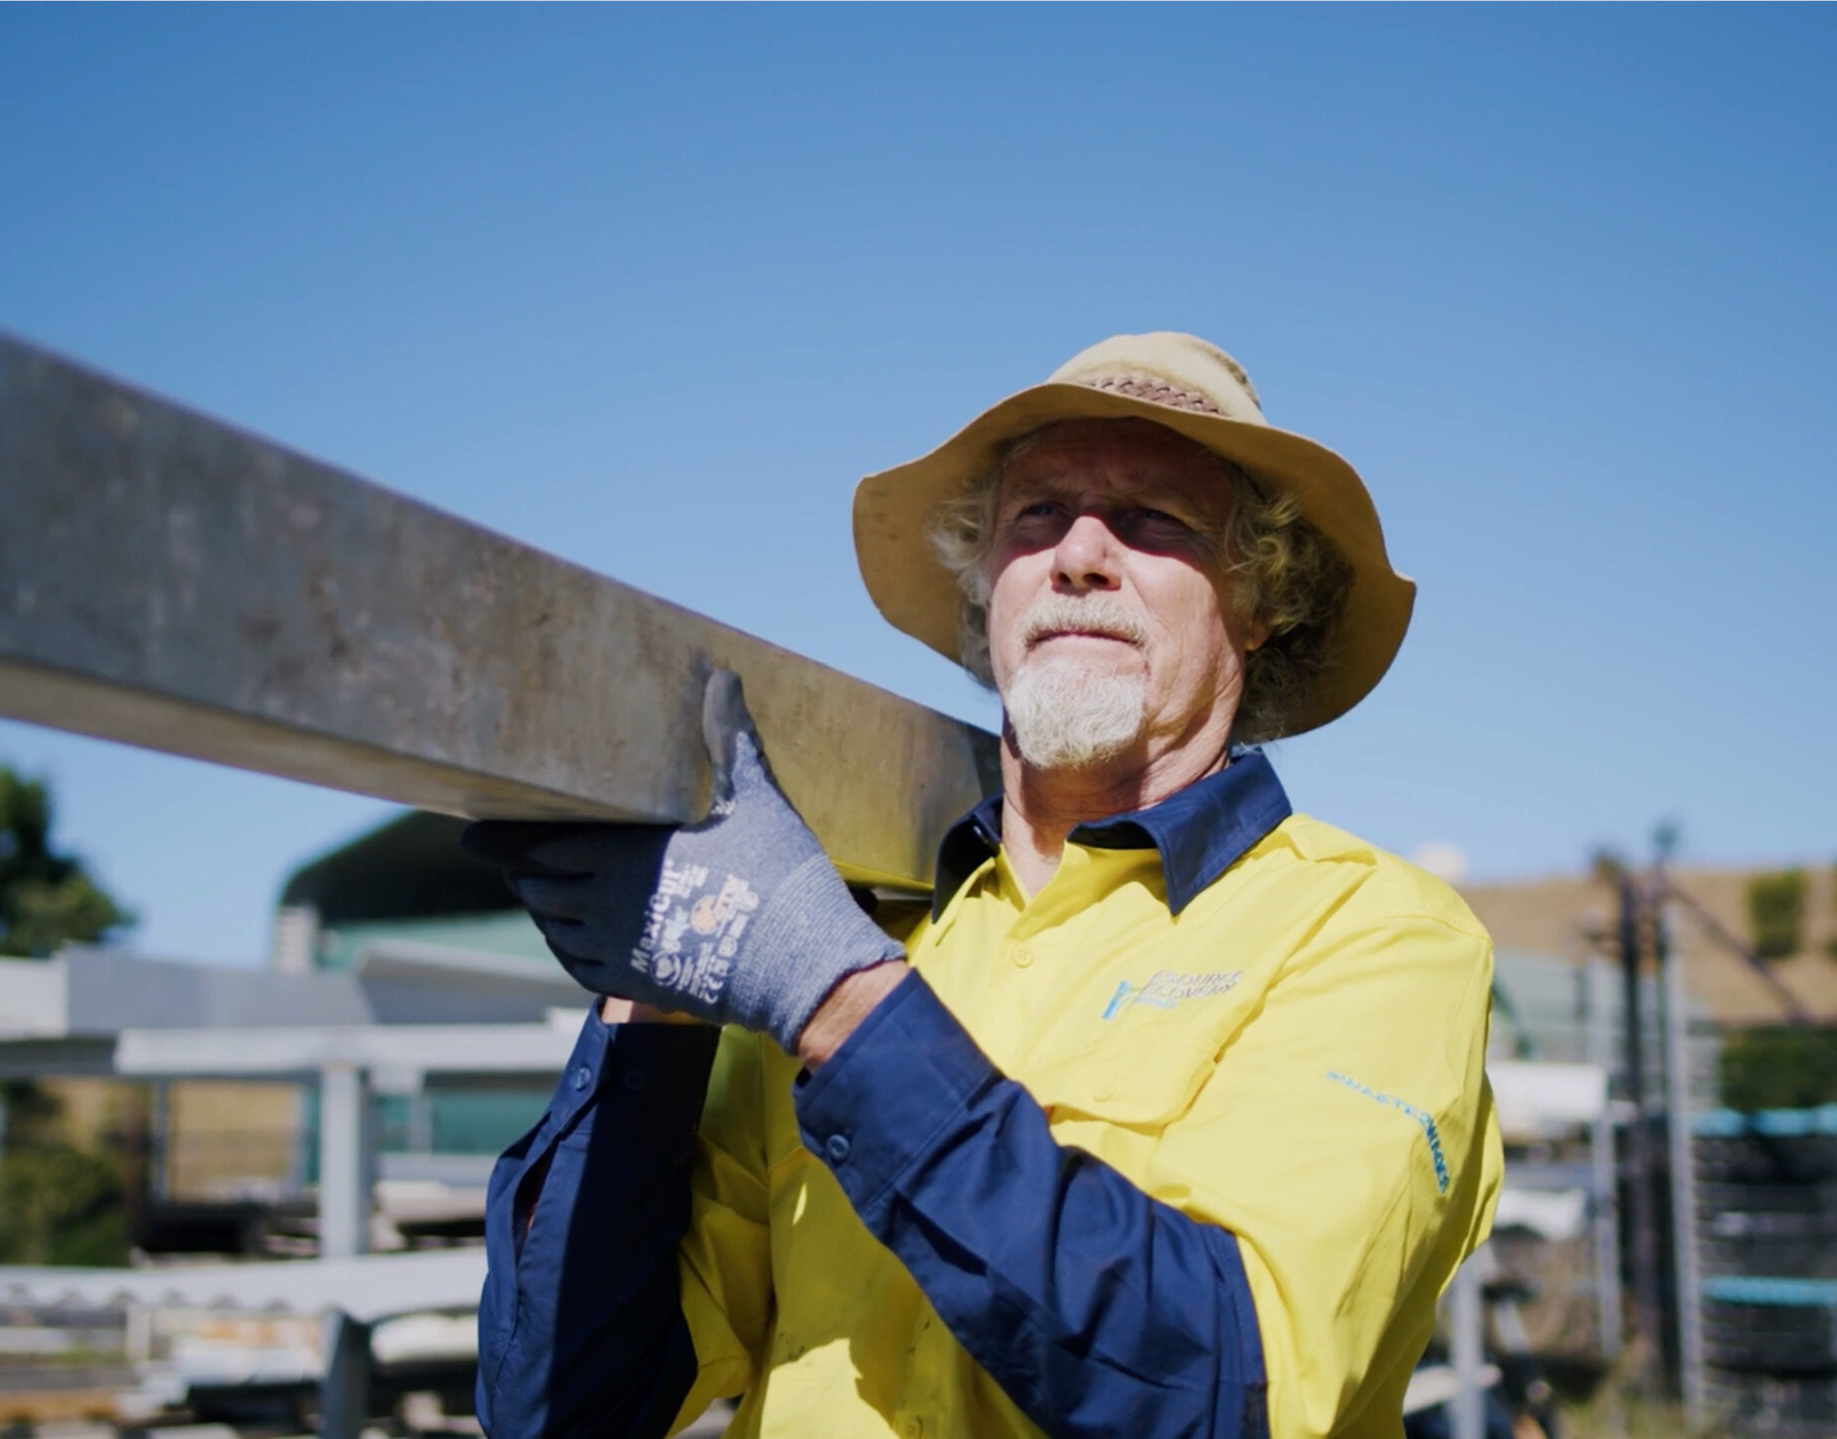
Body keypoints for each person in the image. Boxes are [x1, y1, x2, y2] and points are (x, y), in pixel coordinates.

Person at [463, 332, 1502, 1439]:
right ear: (985, 589)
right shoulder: (868, 934)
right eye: (1036, 515)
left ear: (1257, 602)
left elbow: (1217, 1387)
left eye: (1156, 519)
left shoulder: (1370, 935)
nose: (1080, 555)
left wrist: (826, 990)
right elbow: (560, 1406)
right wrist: (658, 991)